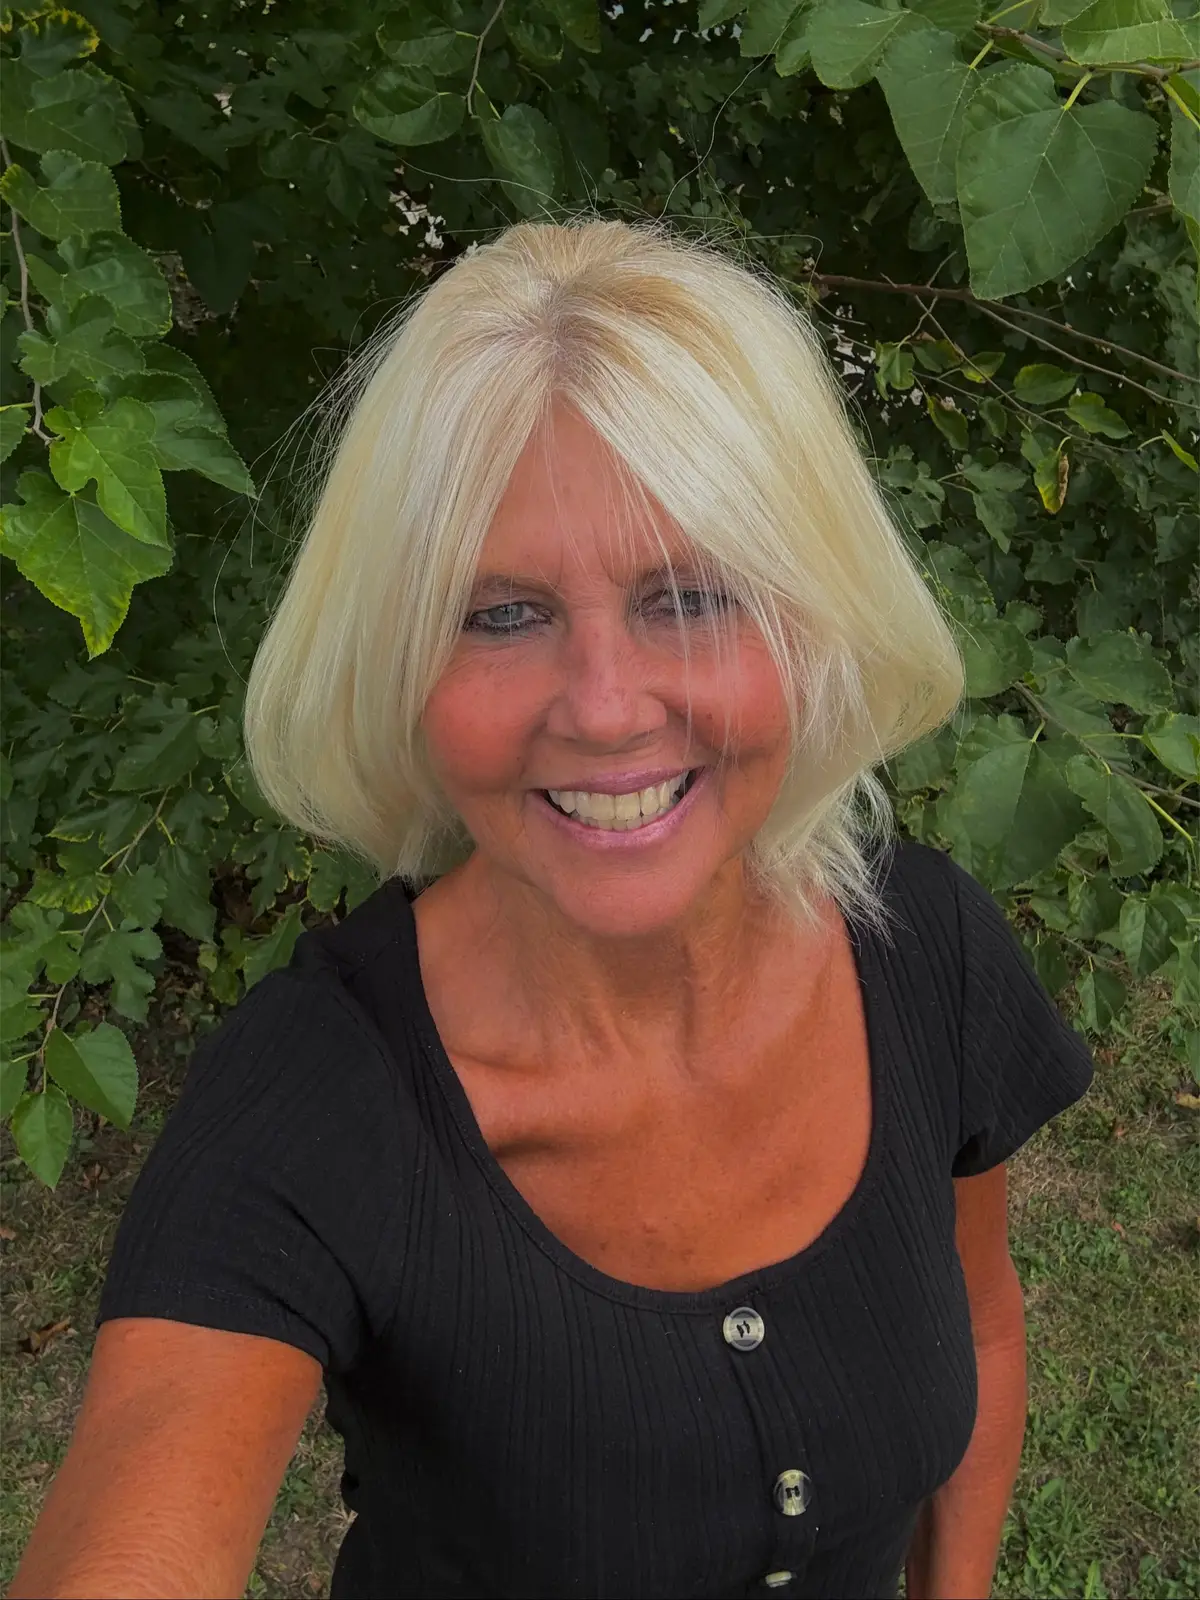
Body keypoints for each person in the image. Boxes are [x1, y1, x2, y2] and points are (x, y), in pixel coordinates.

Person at [11, 216, 1093, 1600]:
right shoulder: (319, 1099)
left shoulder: (924, 952)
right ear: (402, 665)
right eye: (501, 614)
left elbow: (982, 1327)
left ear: (810, 619)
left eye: (689, 596)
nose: (604, 708)